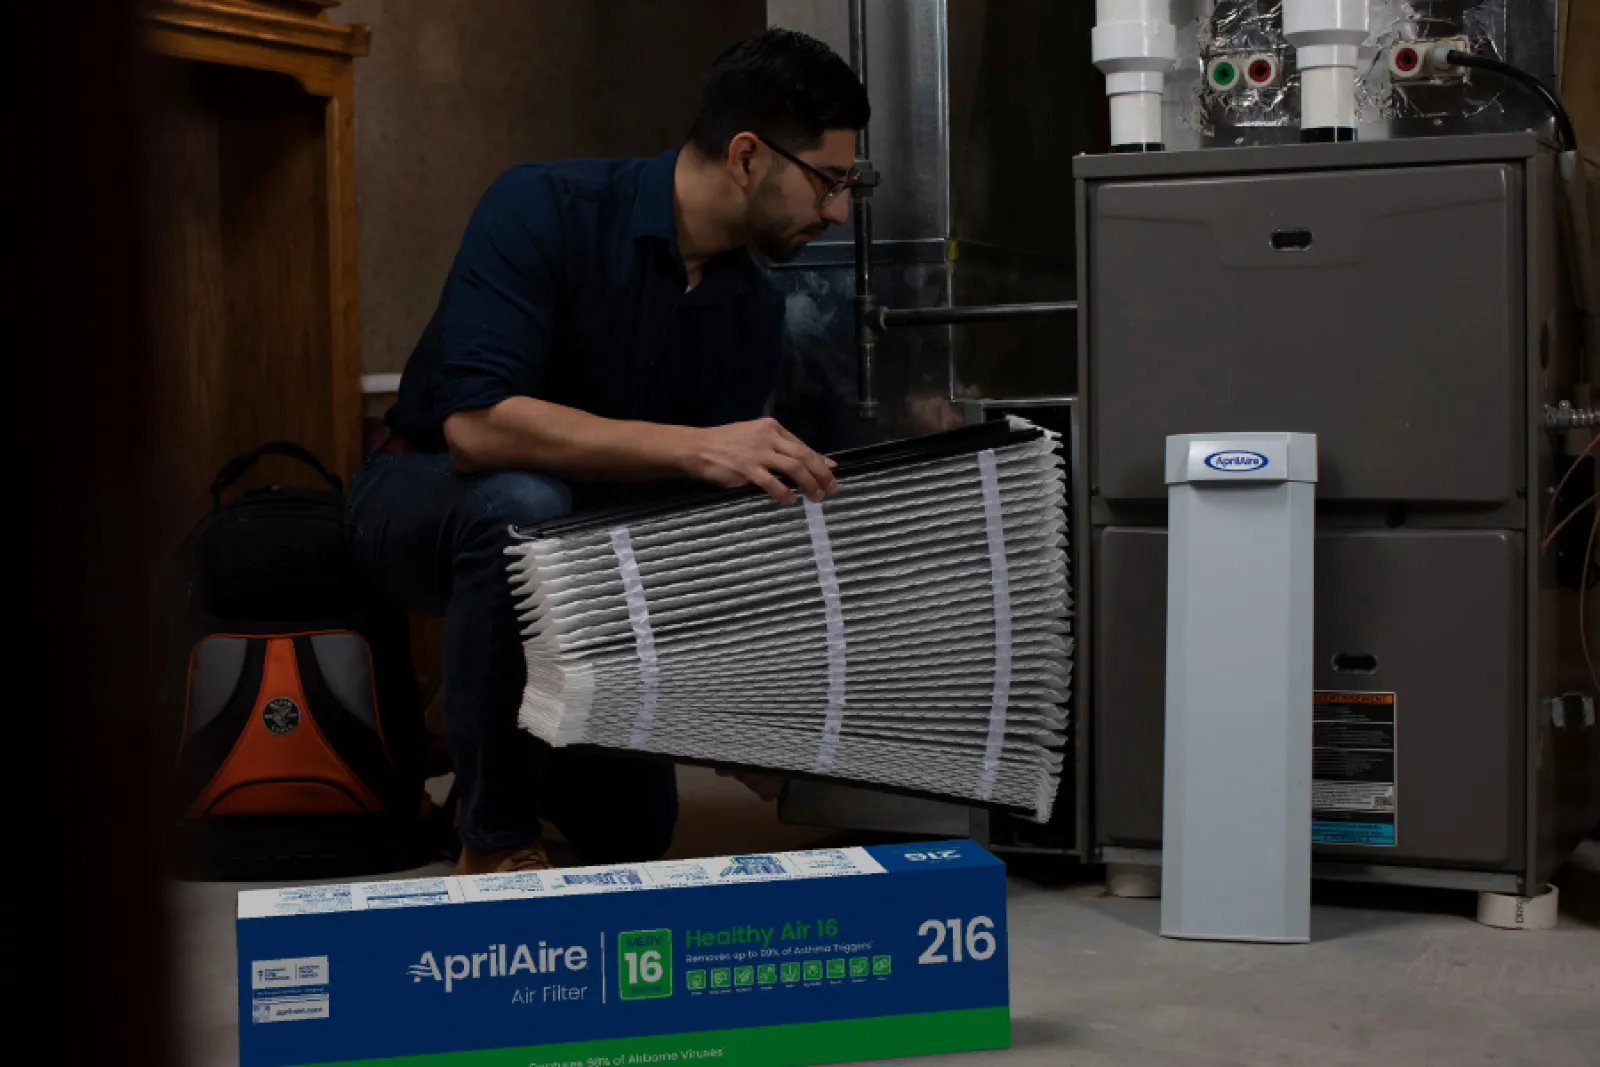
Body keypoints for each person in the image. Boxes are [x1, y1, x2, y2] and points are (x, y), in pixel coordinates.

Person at [347, 28, 872, 875]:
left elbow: (682, 529)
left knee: (634, 832)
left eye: (851, 184)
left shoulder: (748, 312)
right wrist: (695, 447)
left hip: (590, 563)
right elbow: (476, 429)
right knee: (525, 506)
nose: (839, 209)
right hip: (424, 502)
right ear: (746, 156)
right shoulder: (542, 207)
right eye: (829, 180)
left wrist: (750, 720)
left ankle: (478, 709)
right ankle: (494, 840)